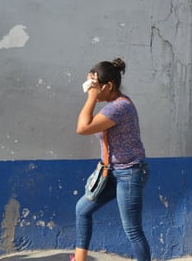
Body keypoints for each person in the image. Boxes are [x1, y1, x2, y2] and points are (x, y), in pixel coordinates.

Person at [72, 58, 151, 261]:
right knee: (82, 210)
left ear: (108, 86)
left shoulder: (120, 107)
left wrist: (90, 97)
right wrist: (93, 92)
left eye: (94, 86)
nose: (90, 89)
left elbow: (83, 128)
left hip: (129, 173)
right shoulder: (112, 105)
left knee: (132, 230)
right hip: (110, 172)